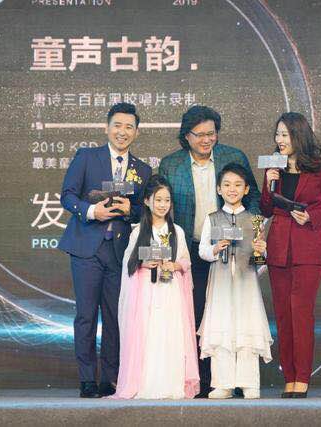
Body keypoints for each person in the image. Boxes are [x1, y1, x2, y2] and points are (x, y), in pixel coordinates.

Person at [159, 105, 261, 397]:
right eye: (199, 134)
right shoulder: (171, 164)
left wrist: (251, 236)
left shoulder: (233, 157)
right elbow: (161, 208)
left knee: (235, 312)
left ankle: (240, 380)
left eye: (211, 133)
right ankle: (206, 381)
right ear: (186, 136)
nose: (206, 140)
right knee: (197, 313)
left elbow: (254, 199)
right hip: (191, 249)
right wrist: (166, 251)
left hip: (233, 251)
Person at [58, 103, 152, 398]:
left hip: (120, 253)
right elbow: (67, 195)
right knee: (86, 316)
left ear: (136, 132)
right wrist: (91, 211)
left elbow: (145, 211)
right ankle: (87, 379)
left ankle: (110, 379)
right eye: (117, 125)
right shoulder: (87, 157)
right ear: (106, 128)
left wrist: (129, 210)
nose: (122, 132)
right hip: (87, 248)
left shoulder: (142, 170)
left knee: (115, 317)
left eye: (129, 127)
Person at [259, 112, 321, 398]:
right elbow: (266, 208)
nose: (279, 140)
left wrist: (311, 216)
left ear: (299, 135)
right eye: (277, 134)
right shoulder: (274, 167)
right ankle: (289, 376)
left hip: (308, 248)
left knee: (301, 313)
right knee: (283, 315)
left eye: (285, 134)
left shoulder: (320, 167)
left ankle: (302, 377)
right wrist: (268, 182)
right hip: (279, 247)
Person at [112, 175, 200, 399]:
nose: (163, 205)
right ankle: (147, 384)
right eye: (158, 200)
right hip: (146, 294)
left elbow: (186, 261)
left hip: (170, 292)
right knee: (149, 337)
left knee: (171, 335)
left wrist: (174, 265)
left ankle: (172, 385)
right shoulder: (138, 231)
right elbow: (128, 262)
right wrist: (143, 263)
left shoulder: (177, 231)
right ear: (147, 201)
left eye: (167, 200)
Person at [197, 163, 273, 399]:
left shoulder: (255, 220)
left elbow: (261, 264)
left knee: (246, 327)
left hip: (246, 283)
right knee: (222, 327)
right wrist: (214, 249)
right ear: (219, 189)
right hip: (220, 282)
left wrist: (262, 251)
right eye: (227, 185)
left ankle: (249, 383)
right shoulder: (212, 219)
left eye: (238, 185)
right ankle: (223, 383)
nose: (232, 189)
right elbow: (202, 251)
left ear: (246, 189)